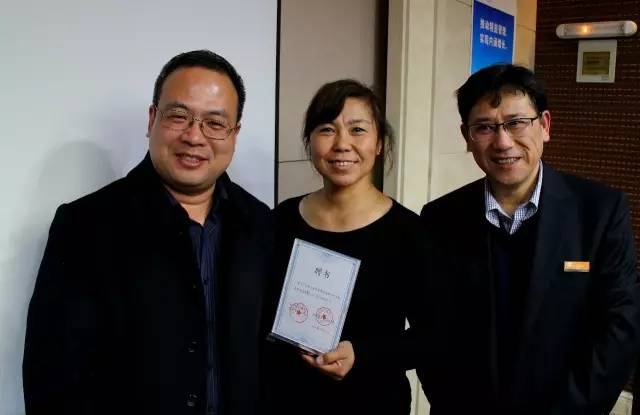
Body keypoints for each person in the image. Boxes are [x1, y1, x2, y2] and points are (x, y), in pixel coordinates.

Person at [23, 50, 273, 415]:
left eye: (215, 123)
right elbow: (51, 376)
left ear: (234, 134)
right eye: (179, 116)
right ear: (153, 119)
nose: (194, 136)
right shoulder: (85, 225)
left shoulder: (261, 224)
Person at [417, 63, 640, 414]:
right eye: (485, 127)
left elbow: (620, 327)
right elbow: (431, 330)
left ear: (545, 125)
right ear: (467, 136)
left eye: (517, 123)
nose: (503, 142)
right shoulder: (440, 217)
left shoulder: (599, 211)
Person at [265, 79, 422, 415]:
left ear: (379, 143)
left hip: (372, 402)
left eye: (357, 130)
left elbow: (432, 337)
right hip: (285, 399)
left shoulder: (410, 232)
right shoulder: (280, 220)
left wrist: (363, 354)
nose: (342, 144)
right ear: (310, 141)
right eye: (327, 129)